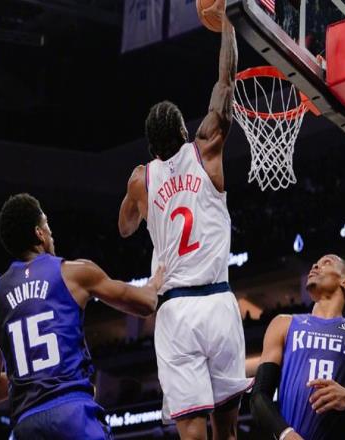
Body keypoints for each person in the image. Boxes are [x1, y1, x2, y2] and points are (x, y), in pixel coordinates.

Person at [118, 4, 251, 440]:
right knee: (227, 431)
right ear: (182, 131)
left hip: (175, 310)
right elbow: (225, 83)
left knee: (191, 431)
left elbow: (125, 229)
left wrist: (135, 198)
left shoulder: (141, 179)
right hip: (217, 301)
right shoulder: (206, 149)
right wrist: (227, 23)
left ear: (150, 146)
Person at [0, 193, 164, 439]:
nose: (51, 232)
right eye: (47, 224)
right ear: (39, 234)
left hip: (27, 425)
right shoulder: (74, 273)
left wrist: (31, 375)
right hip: (72, 414)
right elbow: (146, 304)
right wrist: (155, 282)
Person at [250, 254, 345, 440]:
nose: (315, 266)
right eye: (315, 264)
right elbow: (258, 397)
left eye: (326, 262)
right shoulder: (283, 324)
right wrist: (286, 434)